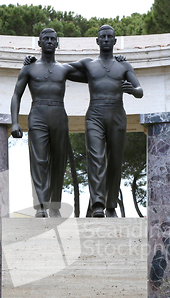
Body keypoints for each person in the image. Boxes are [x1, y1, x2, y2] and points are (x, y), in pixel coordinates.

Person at [10, 28, 87, 218]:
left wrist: (115, 63)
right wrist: (14, 122)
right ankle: (41, 206)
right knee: (39, 161)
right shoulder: (29, 68)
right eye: (46, 39)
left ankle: (55, 205)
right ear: (39, 43)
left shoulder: (64, 69)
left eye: (53, 39)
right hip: (37, 114)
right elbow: (16, 95)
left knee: (59, 163)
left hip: (59, 114)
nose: (50, 41)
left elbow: (93, 76)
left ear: (58, 43)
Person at [69, 24, 143, 217]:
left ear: (115, 41)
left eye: (110, 37)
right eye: (103, 36)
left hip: (117, 114)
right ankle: (98, 204)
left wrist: (132, 90)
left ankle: (111, 206)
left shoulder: (124, 65)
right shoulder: (88, 64)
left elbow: (140, 91)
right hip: (95, 114)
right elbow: (62, 70)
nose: (106, 39)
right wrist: (32, 64)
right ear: (97, 40)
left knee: (115, 161)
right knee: (96, 158)